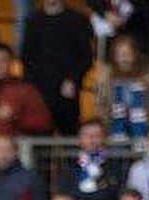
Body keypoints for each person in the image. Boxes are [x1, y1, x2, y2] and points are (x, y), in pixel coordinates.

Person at [22, 0, 95, 135]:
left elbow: (87, 58)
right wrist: (32, 89)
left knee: (70, 138)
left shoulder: (77, 20)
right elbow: (27, 58)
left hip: (68, 91)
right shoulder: (32, 21)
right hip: (40, 92)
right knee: (39, 139)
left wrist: (73, 79)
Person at [0, 42, 53, 146]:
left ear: (11, 63)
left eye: (3, 60)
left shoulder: (26, 91)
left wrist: (15, 117)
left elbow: (44, 124)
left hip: (17, 156)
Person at [54, 119, 123, 200]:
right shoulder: (70, 169)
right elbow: (63, 198)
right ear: (80, 139)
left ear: (104, 139)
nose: (92, 140)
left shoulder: (115, 168)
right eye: (87, 135)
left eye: (96, 136)